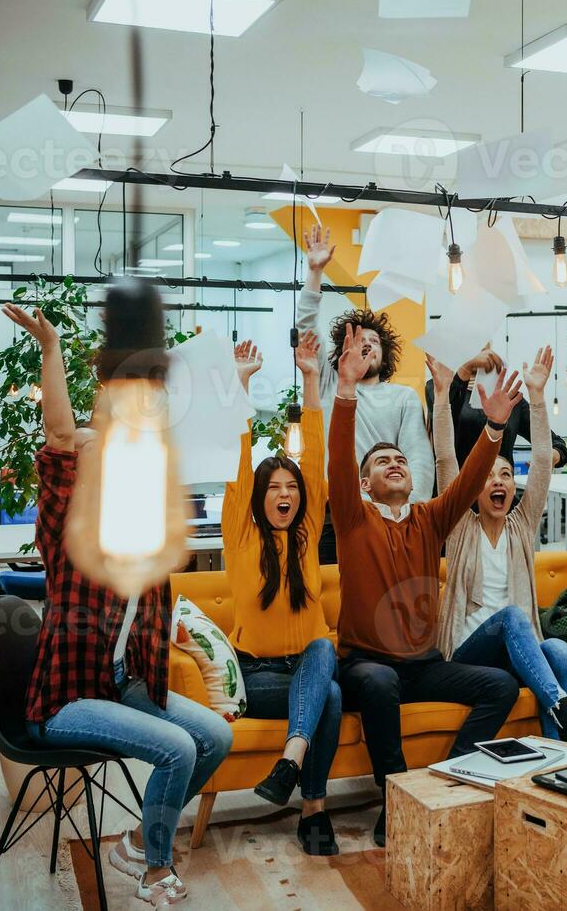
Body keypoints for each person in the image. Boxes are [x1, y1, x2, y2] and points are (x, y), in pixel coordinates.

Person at [5, 301, 231, 909]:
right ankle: (155, 869)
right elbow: (58, 434)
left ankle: (134, 841)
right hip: (66, 701)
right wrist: (51, 348)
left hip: (125, 685)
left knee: (213, 736)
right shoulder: (67, 528)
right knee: (179, 747)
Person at [329, 325, 522, 848]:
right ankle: (395, 796)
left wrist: (495, 427)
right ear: (365, 484)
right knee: (377, 682)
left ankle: (448, 778)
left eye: (399, 461)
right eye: (380, 463)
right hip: (366, 665)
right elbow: (338, 462)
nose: (394, 463)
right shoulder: (351, 518)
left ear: (411, 478)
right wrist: (345, 392)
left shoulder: (430, 519)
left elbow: (466, 482)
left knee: (500, 685)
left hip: (423, 665)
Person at [428, 347, 567, 745]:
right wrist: (441, 396)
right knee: (509, 618)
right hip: (467, 654)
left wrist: (538, 400)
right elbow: (443, 460)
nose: (499, 482)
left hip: (511, 650)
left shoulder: (521, 526)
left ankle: (557, 750)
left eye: (505, 474)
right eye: (488, 476)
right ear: (474, 487)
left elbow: (542, 462)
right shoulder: (459, 528)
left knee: (556, 648)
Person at [221, 332, 342, 856]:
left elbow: (314, 458)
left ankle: (293, 769)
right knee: (329, 695)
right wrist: (240, 385)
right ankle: (312, 806)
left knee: (322, 653)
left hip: (305, 665)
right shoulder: (242, 535)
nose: (287, 494)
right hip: (256, 676)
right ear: (259, 498)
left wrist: (312, 378)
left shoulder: (305, 533)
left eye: (291, 488)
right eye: (274, 488)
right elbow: (238, 463)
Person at [298, 224, 434, 506]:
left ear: (385, 356)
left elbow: (418, 457)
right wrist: (314, 273)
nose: (368, 344)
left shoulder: (403, 397)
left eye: (374, 341)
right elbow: (305, 329)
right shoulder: (327, 384)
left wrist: (410, 511)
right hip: (329, 507)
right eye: (360, 340)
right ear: (344, 350)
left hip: (385, 513)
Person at [436, 346, 567, 469]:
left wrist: (549, 457)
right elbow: (440, 434)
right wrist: (465, 369)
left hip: (501, 487)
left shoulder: (510, 400)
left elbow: (557, 444)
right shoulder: (442, 392)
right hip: (457, 488)